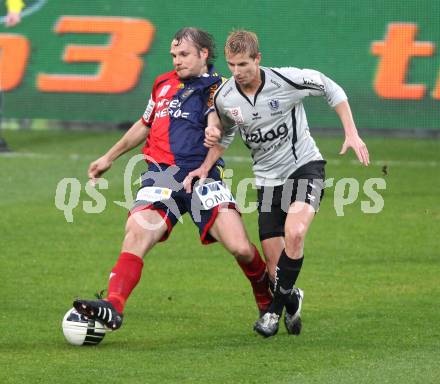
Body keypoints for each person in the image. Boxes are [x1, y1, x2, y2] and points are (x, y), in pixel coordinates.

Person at [73, 28, 272, 331]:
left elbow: (215, 119)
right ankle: (113, 305)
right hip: (160, 177)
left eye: (184, 55)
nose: (177, 61)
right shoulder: (162, 84)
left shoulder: (220, 88)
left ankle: (265, 299)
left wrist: (214, 130)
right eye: (174, 55)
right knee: (137, 232)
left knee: (241, 247)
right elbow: (145, 124)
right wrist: (108, 157)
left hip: (202, 177)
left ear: (204, 54)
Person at [184, 30, 370, 337]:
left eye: (243, 64)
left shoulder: (286, 81)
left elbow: (330, 87)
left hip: (304, 168)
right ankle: (291, 299)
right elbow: (226, 132)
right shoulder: (225, 96)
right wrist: (206, 163)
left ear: (258, 59)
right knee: (276, 274)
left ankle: (272, 313)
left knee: (295, 233)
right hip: (268, 182)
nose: (237, 72)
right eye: (231, 65)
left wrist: (350, 131)